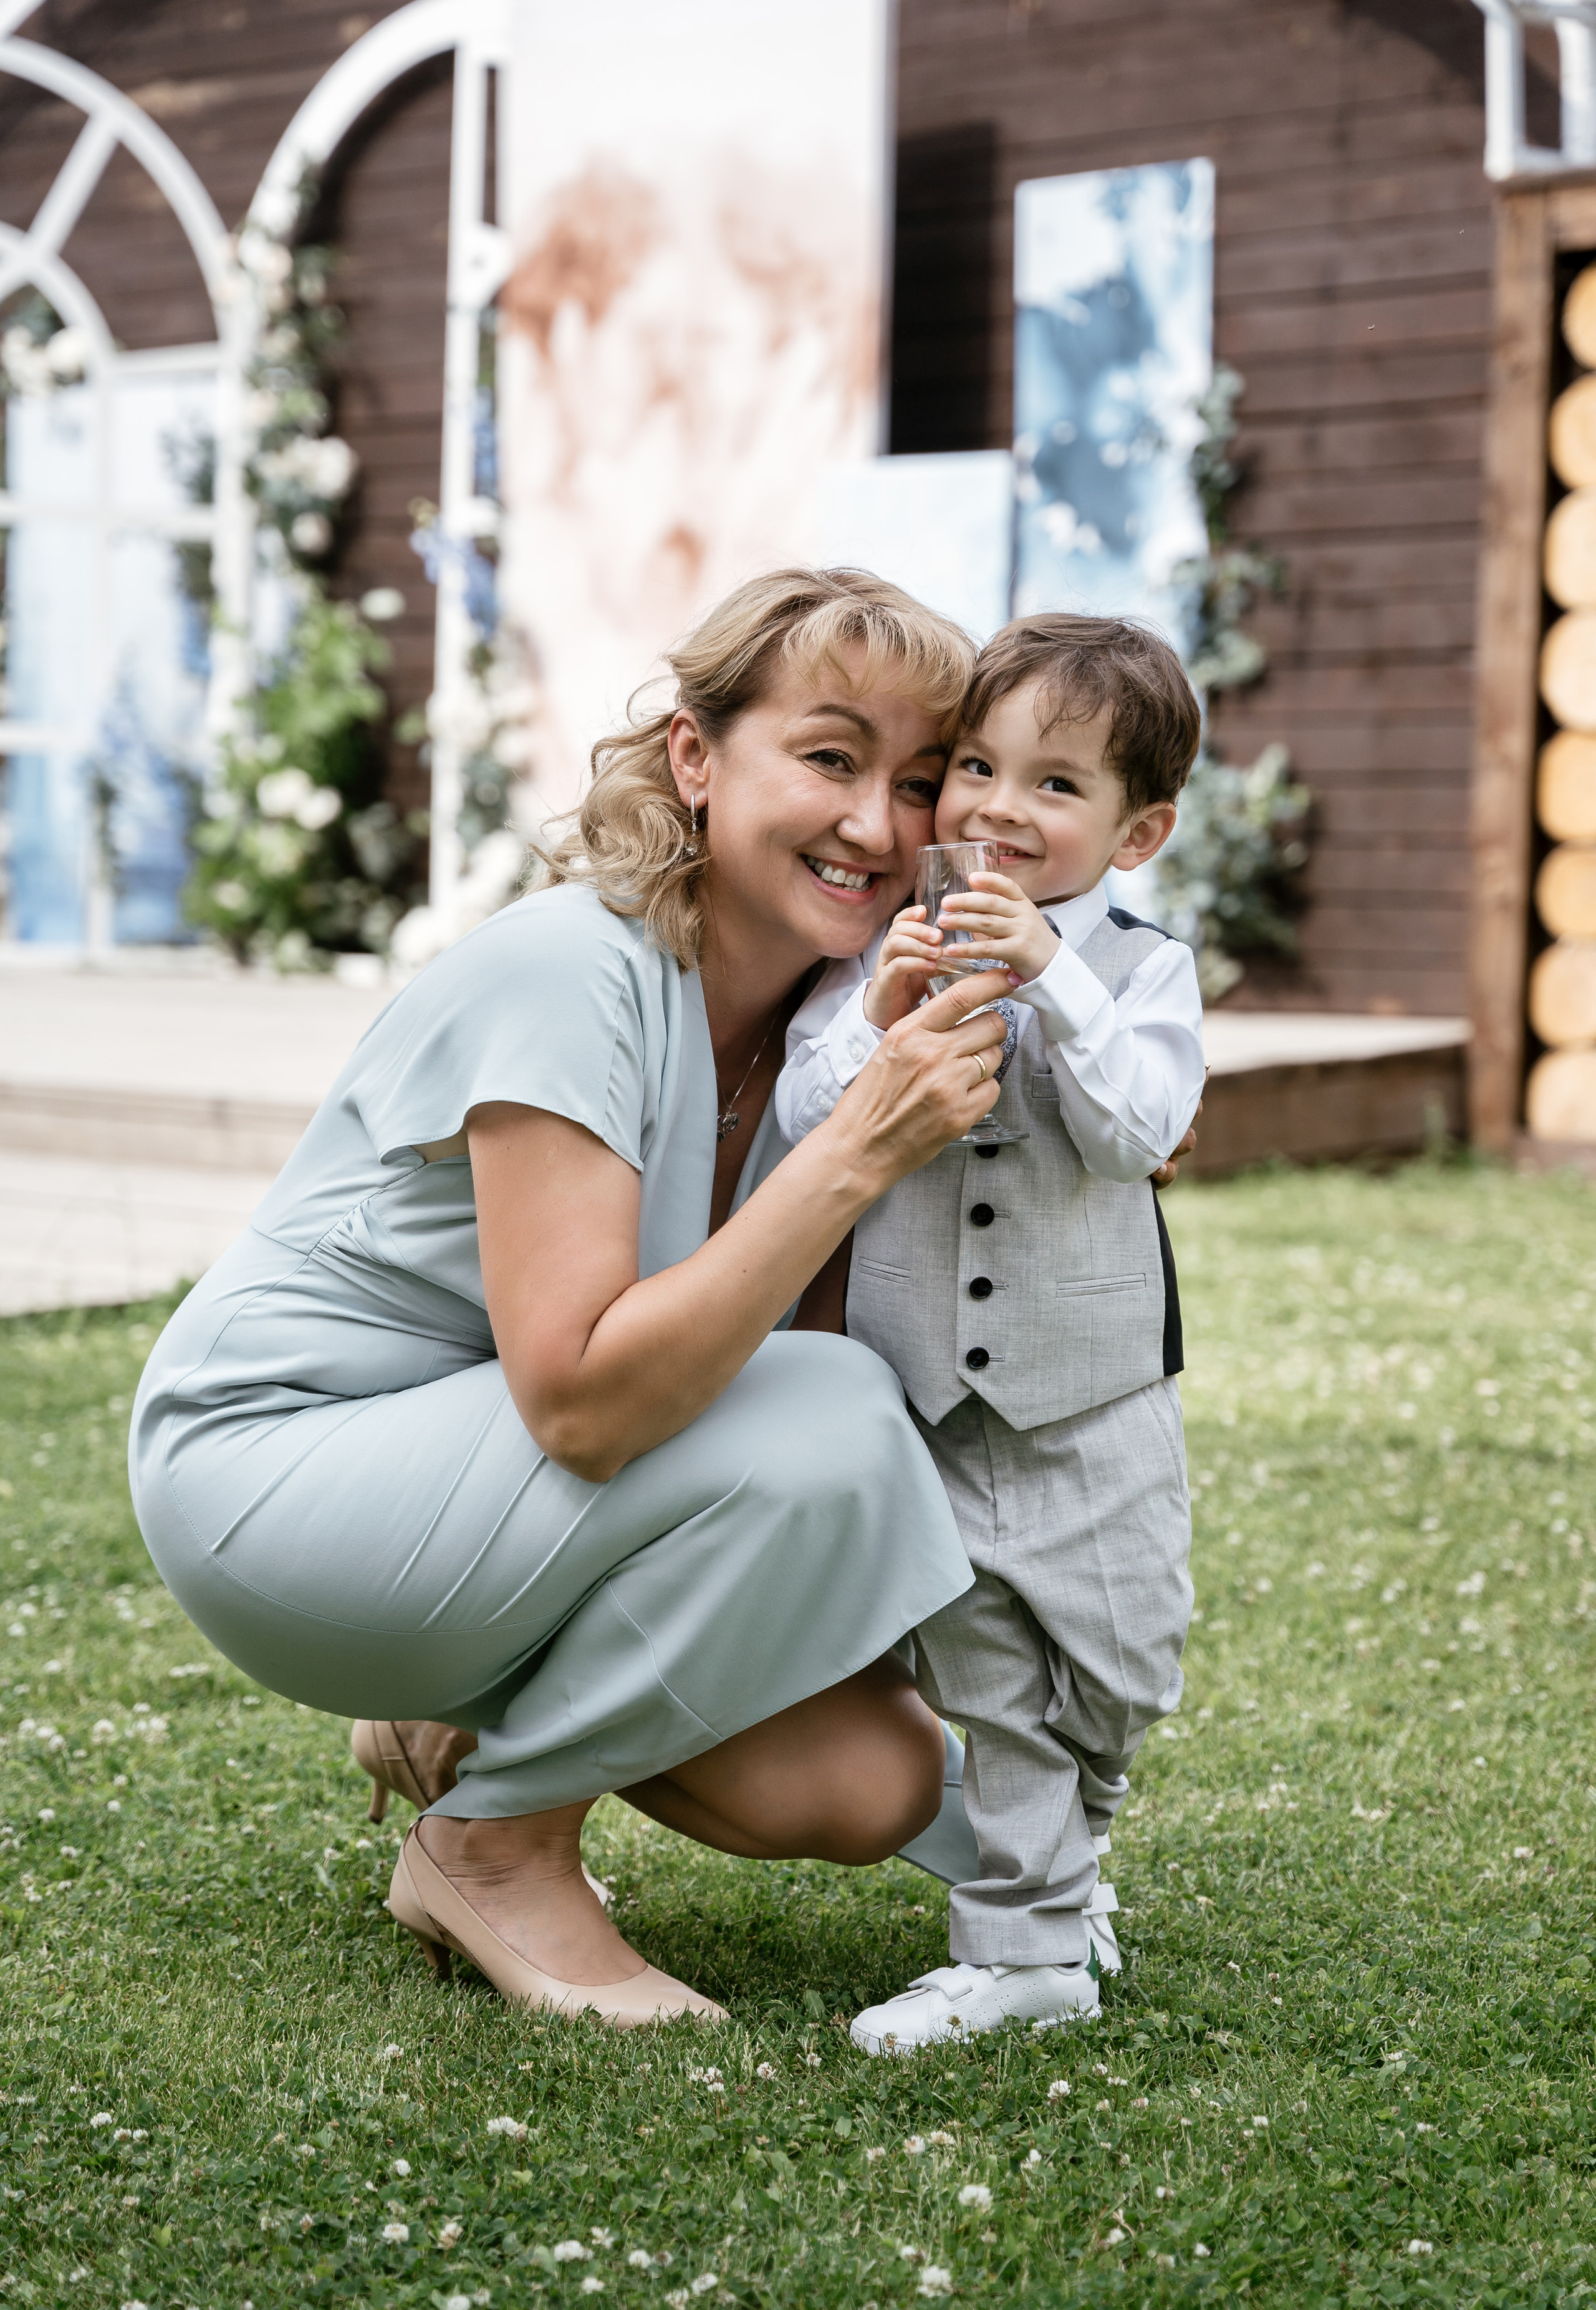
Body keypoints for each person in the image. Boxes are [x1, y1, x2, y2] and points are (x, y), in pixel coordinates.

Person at [128, 567, 1019, 2028]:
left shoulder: (815, 1018)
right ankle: (492, 1848)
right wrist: (861, 1148)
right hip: (276, 1467)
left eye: (918, 780)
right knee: (837, 1413)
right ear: (694, 756)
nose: (873, 823)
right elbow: (587, 1404)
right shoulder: (573, 969)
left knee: (870, 1779)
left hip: (479, 1472)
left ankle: (469, 1692)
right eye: (828, 757)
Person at [774, 612, 1206, 2051]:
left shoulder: (1141, 973)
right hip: (924, 1405)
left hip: (1092, 1397)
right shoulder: (879, 958)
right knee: (993, 1681)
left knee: (1123, 1668)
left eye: (1054, 784)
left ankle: (1061, 1889)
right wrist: (877, 1026)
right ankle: (1023, 1954)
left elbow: (1132, 1130)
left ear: (1134, 834)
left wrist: (1052, 980)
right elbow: (802, 1123)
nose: (995, 809)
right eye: (974, 766)